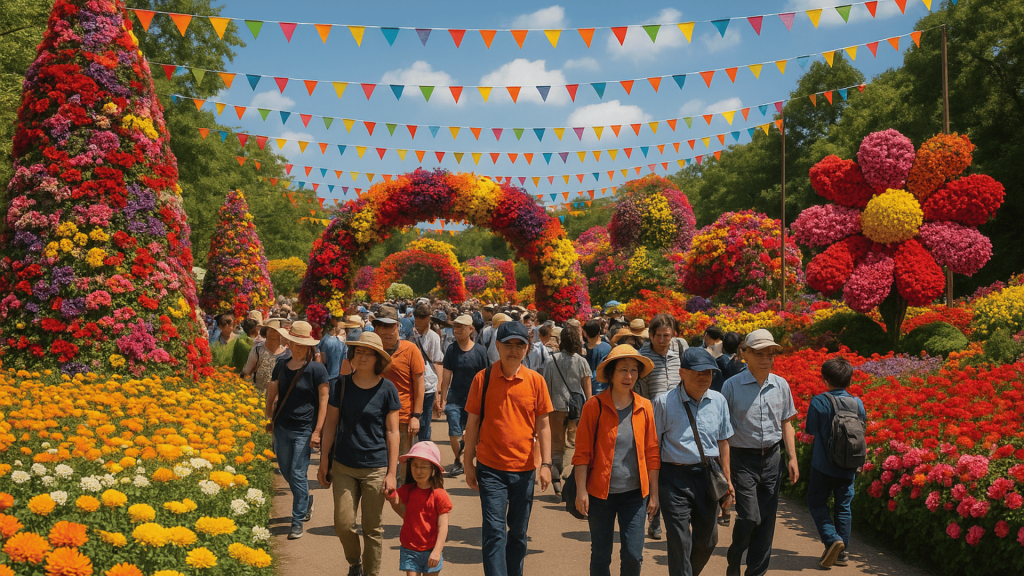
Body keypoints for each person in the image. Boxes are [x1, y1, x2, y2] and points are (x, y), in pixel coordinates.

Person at [464, 321, 553, 576]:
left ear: (527, 348)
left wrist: (546, 464)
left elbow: (544, 426)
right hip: (490, 468)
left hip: (524, 470)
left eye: (519, 345)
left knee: (518, 534)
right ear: (498, 346)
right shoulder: (483, 378)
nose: (514, 350)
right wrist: (468, 461)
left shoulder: (536, 381)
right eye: (508, 345)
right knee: (493, 532)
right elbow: (472, 423)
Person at [318, 332, 401, 576]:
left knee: (373, 528)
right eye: (359, 352)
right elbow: (330, 425)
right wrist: (324, 462)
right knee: (343, 525)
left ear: (378, 358)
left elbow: (393, 432)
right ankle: (355, 562)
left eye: (369, 352)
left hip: (375, 467)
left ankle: (371, 573)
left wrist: (392, 473)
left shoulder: (388, 389)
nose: (363, 356)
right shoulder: (340, 385)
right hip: (344, 465)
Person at [573, 345, 660, 576]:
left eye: (633, 370)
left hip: (635, 495)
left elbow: (652, 452)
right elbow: (581, 453)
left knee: (633, 554)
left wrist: (654, 493)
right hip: (600, 495)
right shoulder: (594, 406)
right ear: (611, 373)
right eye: (623, 370)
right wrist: (581, 491)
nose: (629, 376)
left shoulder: (645, 407)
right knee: (601, 555)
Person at [722, 329, 799, 576]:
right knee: (750, 518)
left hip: (772, 459)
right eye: (759, 353)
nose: (766, 359)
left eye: (770, 354)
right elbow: (722, 429)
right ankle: (735, 556)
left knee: (766, 522)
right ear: (745, 354)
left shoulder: (781, 385)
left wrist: (792, 458)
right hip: (742, 459)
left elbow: (787, 423)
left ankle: (756, 572)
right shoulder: (731, 386)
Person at [654, 347, 735, 576]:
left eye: (709, 373)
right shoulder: (663, 403)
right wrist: (652, 488)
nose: (704, 377)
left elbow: (723, 443)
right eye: (698, 372)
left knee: (708, 541)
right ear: (681, 372)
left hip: (707, 477)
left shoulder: (719, 401)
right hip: (673, 478)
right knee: (680, 540)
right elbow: (652, 446)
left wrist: (727, 481)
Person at [265, 321, 330, 540]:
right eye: (295, 342)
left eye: (303, 343)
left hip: (304, 428)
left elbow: (324, 399)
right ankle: (305, 500)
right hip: (282, 426)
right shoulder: (282, 364)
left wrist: (318, 430)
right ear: (290, 342)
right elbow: (273, 391)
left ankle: (297, 520)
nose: (298, 347)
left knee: (297, 472)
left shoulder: (317, 369)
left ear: (309, 346)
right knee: (284, 469)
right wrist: (269, 417)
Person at [805, 357, 866, 569]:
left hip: (823, 464)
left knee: (816, 501)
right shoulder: (857, 403)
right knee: (843, 506)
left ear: (825, 379)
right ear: (849, 380)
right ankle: (842, 553)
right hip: (849, 464)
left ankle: (832, 540)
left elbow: (810, 429)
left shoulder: (819, 401)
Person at [387, 441, 453, 576]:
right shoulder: (407, 490)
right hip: (409, 549)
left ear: (434, 469)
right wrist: (389, 493)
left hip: (431, 549)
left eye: (424, 467)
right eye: (415, 466)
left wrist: (437, 551)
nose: (418, 471)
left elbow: (443, 527)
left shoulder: (439, 495)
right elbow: (396, 502)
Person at [437, 315, 489, 478]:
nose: (457, 330)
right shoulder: (452, 350)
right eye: (456, 327)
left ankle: (473, 460)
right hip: (455, 399)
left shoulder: (480, 351)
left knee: (476, 434)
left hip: (476, 400)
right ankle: (459, 461)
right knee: (454, 432)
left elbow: (487, 377)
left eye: (461, 327)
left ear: (471, 330)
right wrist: (443, 398)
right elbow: (446, 375)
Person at [542, 325, 591, 495]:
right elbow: (587, 388)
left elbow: (545, 386)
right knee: (572, 444)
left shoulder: (550, 360)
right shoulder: (582, 361)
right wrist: (588, 408)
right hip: (575, 409)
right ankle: (567, 475)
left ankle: (556, 476)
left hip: (555, 407)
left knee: (556, 443)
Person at [375, 306, 426, 467]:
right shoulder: (371, 351)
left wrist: (416, 416)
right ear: (375, 328)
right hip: (376, 417)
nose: (387, 331)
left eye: (391, 326)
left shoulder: (410, 349)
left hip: (403, 418)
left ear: (398, 327)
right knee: (379, 464)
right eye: (382, 326)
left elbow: (419, 383)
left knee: (404, 465)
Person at [410, 305, 444, 442]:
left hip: (428, 385)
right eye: (419, 318)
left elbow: (437, 363)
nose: (422, 321)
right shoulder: (409, 335)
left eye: (425, 318)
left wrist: (439, 391)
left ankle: (423, 450)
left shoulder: (434, 337)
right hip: (411, 383)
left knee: (425, 422)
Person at [243, 318, 291, 394]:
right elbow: (247, 370)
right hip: (256, 393)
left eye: (275, 331)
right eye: (270, 331)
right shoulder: (258, 349)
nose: (272, 334)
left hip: (276, 395)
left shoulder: (287, 353)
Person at [320, 316, 349, 397]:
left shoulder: (324, 341)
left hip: (326, 378)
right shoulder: (342, 344)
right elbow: (345, 361)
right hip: (338, 377)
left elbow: (323, 359)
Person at [583, 319, 613, 395]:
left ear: (585, 333)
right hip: (603, 386)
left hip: (585, 387)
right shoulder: (607, 348)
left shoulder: (581, 349)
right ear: (598, 333)